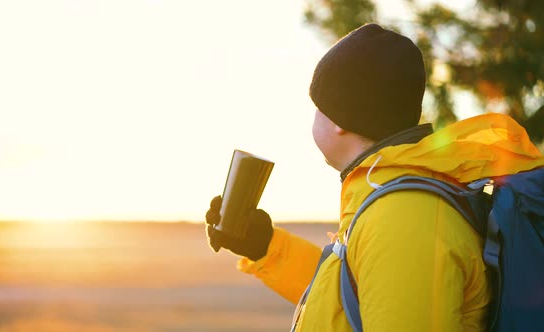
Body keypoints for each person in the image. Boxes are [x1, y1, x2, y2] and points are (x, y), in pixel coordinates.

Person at [204, 23, 544, 331]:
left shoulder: (404, 218)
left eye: (318, 105)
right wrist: (267, 248)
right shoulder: (392, 199)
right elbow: (353, 297)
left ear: (340, 119)